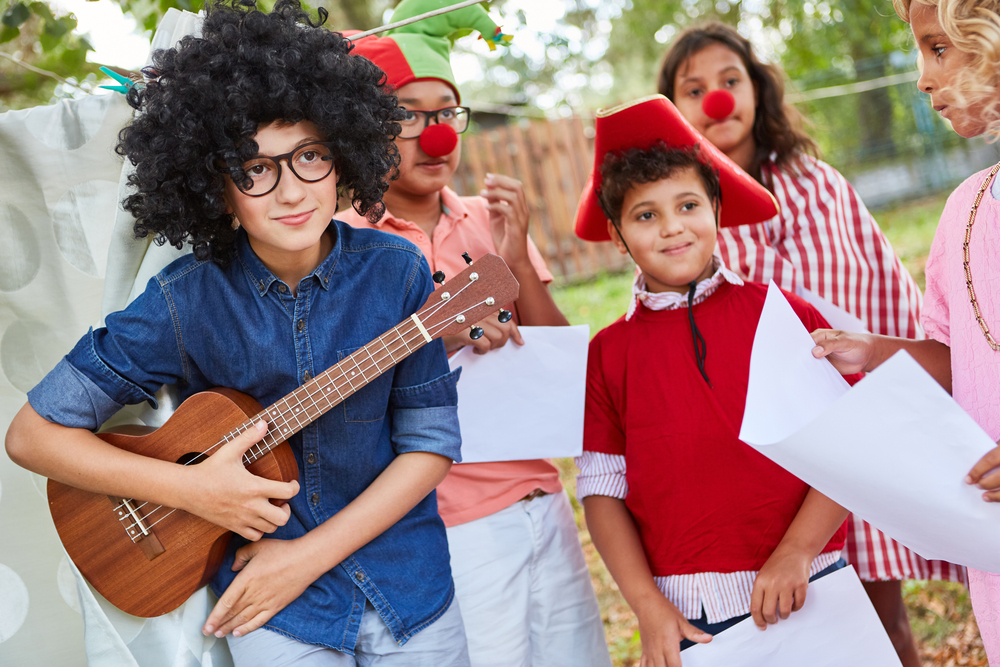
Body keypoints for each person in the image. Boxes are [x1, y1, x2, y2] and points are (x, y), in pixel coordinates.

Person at [3, 2, 471, 665]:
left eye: (309, 154)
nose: (288, 191)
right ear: (216, 188)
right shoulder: (183, 300)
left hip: (407, 584)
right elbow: (31, 435)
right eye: (254, 169)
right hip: (272, 613)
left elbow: (430, 443)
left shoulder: (398, 271)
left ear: (341, 157)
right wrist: (192, 491)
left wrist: (302, 559)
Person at [655, 22, 965, 666]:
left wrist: (915, 390)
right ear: (674, 109)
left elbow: (885, 289)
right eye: (695, 89)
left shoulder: (820, 185)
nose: (717, 99)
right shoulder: (682, 219)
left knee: (882, 623)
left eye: (730, 81)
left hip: (854, 433)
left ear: (758, 89)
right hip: (763, 456)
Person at [344, 3, 613, 666]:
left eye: (446, 113)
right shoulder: (347, 244)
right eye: (409, 115)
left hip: (543, 499)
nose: (435, 134)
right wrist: (440, 336)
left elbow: (557, 371)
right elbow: (346, 389)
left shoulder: (484, 219)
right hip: (450, 524)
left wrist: (518, 258)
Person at [573, 95, 851, 667]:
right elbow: (602, 490)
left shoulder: (787, 316)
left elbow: (848, 445)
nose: (672, 228)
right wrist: (647, 607)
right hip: (691, 617)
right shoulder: (607, 355)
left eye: (689, 205)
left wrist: (799, 549)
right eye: (645, 215)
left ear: (717, 209)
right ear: (619, 236)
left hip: (812, 583)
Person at [813, 0, 1000, 661]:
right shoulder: (964, 213)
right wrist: (875, 350)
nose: (922, 77)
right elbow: (962, 360)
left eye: (939, 48)